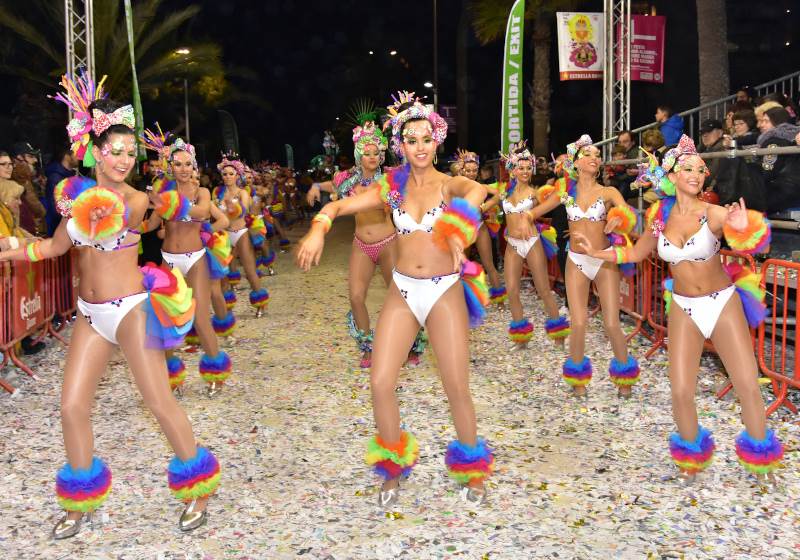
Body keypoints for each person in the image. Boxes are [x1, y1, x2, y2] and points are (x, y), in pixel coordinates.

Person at [0, 72, 221, 538]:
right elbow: (56, 248)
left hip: (130, 309)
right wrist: (10, 249)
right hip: (90, 314)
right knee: (71, 407)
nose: (123, 159)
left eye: (128, 152)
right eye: (114, 151)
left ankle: (198, 486)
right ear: (95, 151)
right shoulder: (73, 197)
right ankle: (80, 500)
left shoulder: (137, 199)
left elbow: (152, 215)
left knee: (159, 401)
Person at [297, 91, 494, 506]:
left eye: (426, 138)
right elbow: (339, 206)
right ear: (400, 145)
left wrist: (459, 229)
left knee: (456, 386)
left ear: (436, 141)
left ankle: (473, 469)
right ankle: (392, 466)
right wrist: (318, 227)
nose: (419, 146)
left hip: (443, 291)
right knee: (381, 381)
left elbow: (477, 192)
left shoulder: (448, 184)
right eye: (411, 139)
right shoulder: (391, 187)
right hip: (403, 291)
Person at [572, 135, 783, 483]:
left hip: (721, 303)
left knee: (746, 383)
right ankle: (690, 460)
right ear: (671, 174)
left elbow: (752, 240)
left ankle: (761, 462)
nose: (697, 174)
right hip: (683, 306)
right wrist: (598, 254)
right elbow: (637, 253)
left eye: (701, 169)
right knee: (681, 390)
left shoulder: (714, 213)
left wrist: (747, 229)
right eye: (688, 168)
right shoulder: (658, 216)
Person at [305, 120, 426, 368]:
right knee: (356, 296)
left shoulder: (391, 178)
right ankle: (368, 348)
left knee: (401, 296)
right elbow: (332, 185)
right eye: (367, 153)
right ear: (359, 155)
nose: (372, 157)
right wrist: (316, 186)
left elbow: (417, 182)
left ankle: (410, 344)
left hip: (389, 242)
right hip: (362, 244)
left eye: (376, 153)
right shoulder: (348, 180)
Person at [530, 135, 640, 399]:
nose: (594, 158)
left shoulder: (608, 192)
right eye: (588, 154)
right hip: (576, 261)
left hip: (603, 260)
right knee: (578, 323)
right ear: (576, 163)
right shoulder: (565, 192)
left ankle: (625, 376)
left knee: (612, 323)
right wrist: (523, 217)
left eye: (597, 155)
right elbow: (536, 211)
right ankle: (577, 377)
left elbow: (629, 218)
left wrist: (618, 220)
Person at [142, 126, 233, 397]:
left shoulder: (200, 192)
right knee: (167, 319)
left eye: (187, 164)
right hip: (169, 259)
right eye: (177, 164)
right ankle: (172, 378)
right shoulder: (162, 190)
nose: (182, 169)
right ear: (170, 166)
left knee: (202, 318)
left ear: (193, 166)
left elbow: (205, 213)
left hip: (195, 259)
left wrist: (172, 206)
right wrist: (124, 226)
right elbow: (153, 224)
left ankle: (216, 372)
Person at [498, 141, 569, 350]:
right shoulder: (504, 192)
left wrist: (535, 212)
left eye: (529, 168)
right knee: (511, 291)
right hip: (512, 243)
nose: (526, 171)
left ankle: (559, 335)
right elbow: (480, 193)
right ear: (512, 170)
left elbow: (558, 197)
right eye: (521, 168)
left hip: (532, 242)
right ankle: (521, 339)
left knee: (544, 290)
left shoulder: (535, 193)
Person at [213, 153, 270, 316]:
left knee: (249, 270)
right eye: (225, 174)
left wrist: (231, 207)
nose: (228, 177)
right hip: (223, 235)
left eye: (231, 174)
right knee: (223, 275)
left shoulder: (242, 193)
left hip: (241, 233)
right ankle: (226, 308)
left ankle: (260, 303)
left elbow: (243, 211)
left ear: (237, 175)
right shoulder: (217, 193)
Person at [455, 149, 506, 306]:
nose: (471, 173)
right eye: (468, 170)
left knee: (489, 264)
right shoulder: (456, 185)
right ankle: (459, 301)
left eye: (474, 170)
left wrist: (485, 207)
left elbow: (501, 192)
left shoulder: (481, 186)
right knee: (460, 265)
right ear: (462, 170)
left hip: (479, 226)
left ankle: (500, 301)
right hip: (462, 229)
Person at [756, 107, 800, 213]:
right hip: (792, 190)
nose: (761, 125)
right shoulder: (792, 138)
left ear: (777, 121)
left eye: (766, 121)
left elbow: (767, 171)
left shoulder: (774, 141)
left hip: (782, 192)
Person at [44, 146, 77, 236]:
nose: (80, 157)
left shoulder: (68, 176)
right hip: (60, 231)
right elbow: (56, 209)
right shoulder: (56, 178)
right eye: (76, 154)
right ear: (67, 156)